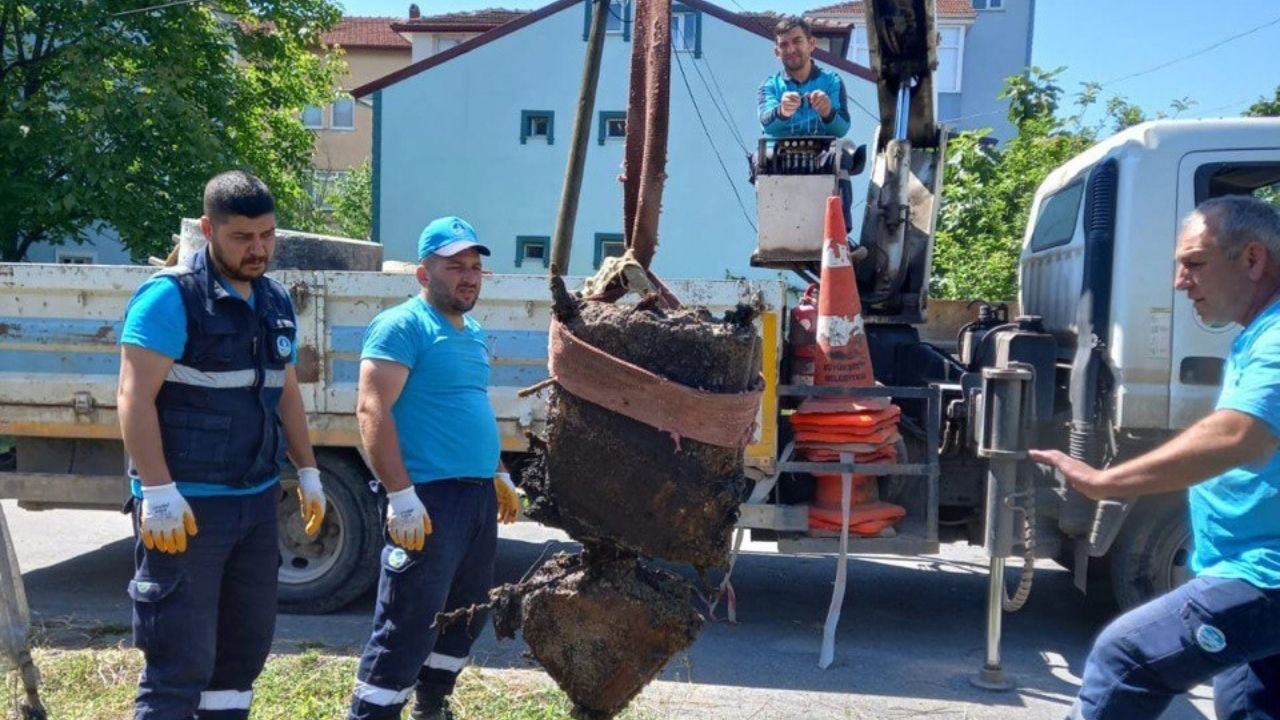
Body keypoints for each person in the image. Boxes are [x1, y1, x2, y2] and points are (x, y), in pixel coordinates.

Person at [1030, 195, 1280, 720]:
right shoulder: (1260, 331)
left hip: (1266, 574)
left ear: (1253, 260)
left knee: (1127, 657)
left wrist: (1107, 481)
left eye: (1194, 263)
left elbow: (1242, 432)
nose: (1180, 282)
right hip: (1247, 565)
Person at [117, 170, 326, 719]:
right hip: (185, 511)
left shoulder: (274, 299)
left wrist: (308, 471)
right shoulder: (170, 299)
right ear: (209, 229)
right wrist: (157, 491)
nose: (258, 249)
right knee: (178, 664)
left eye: (267, 235)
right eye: (242, 237)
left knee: (240, 657)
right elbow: (132, 398)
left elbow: (285, 393)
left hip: (255, 504)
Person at [347, 216, 521, 720]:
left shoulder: (472, 332)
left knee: (466, 615)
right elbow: (371, 409)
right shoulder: (403, 325)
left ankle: (432, 707)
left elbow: (466, 406)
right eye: (454, 267)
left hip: (474, 499)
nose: (468, 276)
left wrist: (498, 471)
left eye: (475, 266)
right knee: (407, 623)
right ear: (424, 274)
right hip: (427, 500)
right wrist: (401, 496)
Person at [756, 16, 861, 247]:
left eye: (797, 41)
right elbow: (766, 123)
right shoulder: (770, 85)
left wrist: (826, 112)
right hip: (783, 151)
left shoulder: (831, 81)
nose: (791, 49)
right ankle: (771, 235)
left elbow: (842, 126)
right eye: (784, 45)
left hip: (823, 151)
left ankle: (841, 235)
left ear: (811, 44)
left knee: (841, 158)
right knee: (759, 160)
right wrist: (782, 111)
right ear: (777, 52)